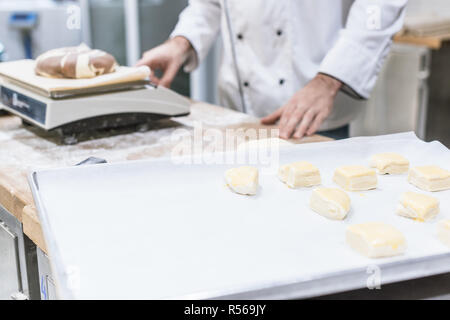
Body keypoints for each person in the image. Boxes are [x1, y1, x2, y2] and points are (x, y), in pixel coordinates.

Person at [137, 0, 408, 139]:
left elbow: (378, 6)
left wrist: (330, 79)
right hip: (236, 112)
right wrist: (181, 42)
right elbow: (209, 4)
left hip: (312, 112)